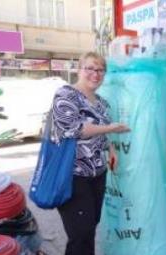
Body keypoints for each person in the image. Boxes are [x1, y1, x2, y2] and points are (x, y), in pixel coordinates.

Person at [51, 51, 130, 255]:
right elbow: (75, 129)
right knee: (79, 233)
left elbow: (101, 135)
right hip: (72, 175)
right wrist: (111, 128)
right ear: (79, 70)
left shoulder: (102, 103)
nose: (96, 74)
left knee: (90, 228)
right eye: (90, 68)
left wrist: (111, 149)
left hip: (97, 174)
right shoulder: (65, 95)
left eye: (100, 70)